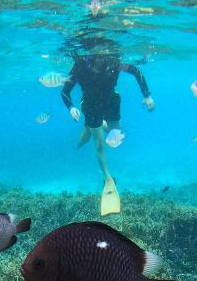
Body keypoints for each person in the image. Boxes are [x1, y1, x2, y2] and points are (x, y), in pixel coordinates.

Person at [61, 52, 155, 215]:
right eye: (95, 56)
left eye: (102, 56)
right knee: (99, 143)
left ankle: (91, 126)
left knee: (116, 134)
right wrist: (71, 108)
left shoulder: (113, 62)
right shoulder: (80, 66)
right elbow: (65, 91)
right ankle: (108, 177)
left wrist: (147, 96)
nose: (100, 59)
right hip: (90, 104)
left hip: (111, 101)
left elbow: (135, 70)